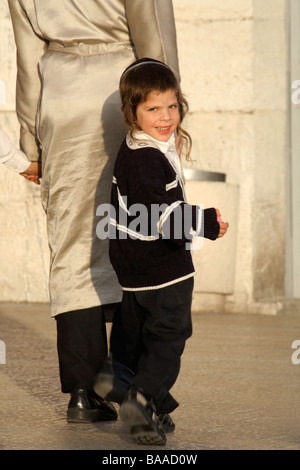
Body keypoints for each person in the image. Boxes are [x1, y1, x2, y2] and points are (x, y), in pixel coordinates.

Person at [8, 0, 180, 423]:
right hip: (123, 94)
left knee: (72, 245)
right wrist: (170, 112)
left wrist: (31, 142)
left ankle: (84, 392)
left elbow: (28, 58)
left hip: (61, 97)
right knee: (139, 234)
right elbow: (154, 35)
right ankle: (141, 391)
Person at [106, 58, 229, 445]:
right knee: (169, 336)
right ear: (132, 112)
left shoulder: (140, 145)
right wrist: (207, 224)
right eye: (153, 109)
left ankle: (123, 382)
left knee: (139, 334)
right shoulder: (146, 158)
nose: (165, 117)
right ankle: (141, 401)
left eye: (172, 106)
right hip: (162, 267)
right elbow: (158, 215)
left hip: (133, 268)